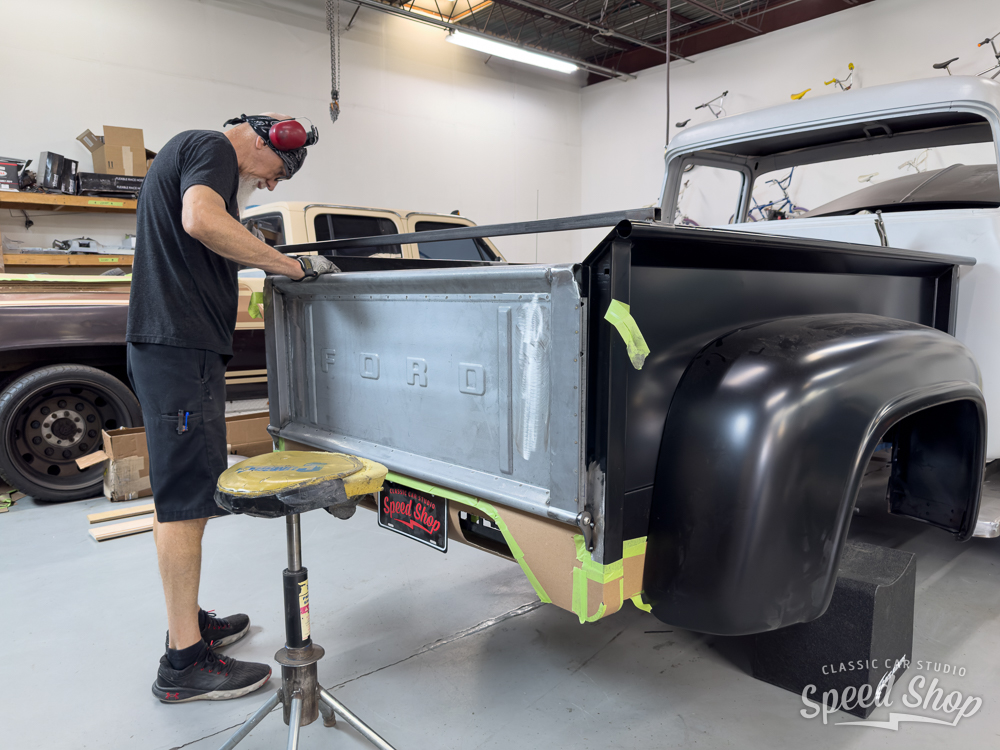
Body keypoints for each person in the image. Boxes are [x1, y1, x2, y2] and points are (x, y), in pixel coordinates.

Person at [126, 113, 339, 703]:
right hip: (179, 351)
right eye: (278, 173)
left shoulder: (192, 155)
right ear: (268, 140)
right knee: (185, 505)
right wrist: (291, 265)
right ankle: (184, 662)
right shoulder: (213, 148)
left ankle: (188, 622)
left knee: (178, 499)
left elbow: (202, 233)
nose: (270, 184)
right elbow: (200, 220)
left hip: (171, 349)